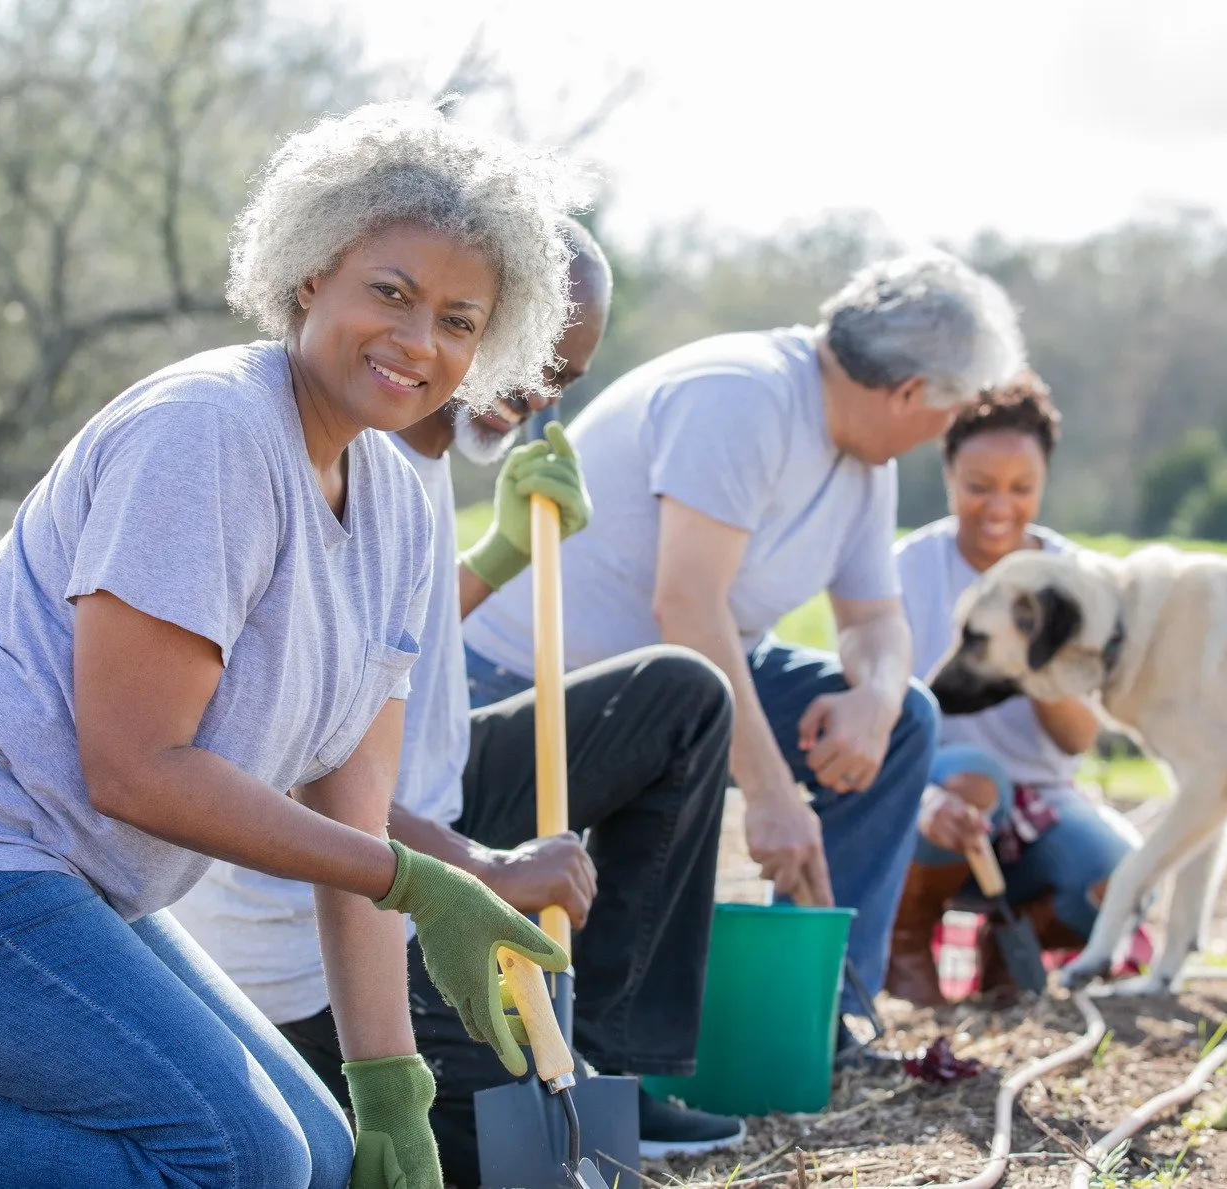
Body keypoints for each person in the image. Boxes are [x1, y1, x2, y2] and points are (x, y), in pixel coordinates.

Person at [0, 100, 581, 1189]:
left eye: (458, 319)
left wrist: (391, 1089)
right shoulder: (206, 431)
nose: (418, 341)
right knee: (233, 1157)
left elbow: (346, 815)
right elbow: (136, 766)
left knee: (308, 1154)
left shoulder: (397, 506)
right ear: (312, 276)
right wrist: (429, 883)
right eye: (389, 293)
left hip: (61, 876)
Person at [173, 220, 744, 1186]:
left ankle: (611, 1053)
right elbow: (301, 762)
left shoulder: (418, 461)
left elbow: (396, 653)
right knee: (545, 1152)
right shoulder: (351, 443)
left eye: (564, 369)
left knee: (678, 696)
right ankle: (543, 1063)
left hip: (426, 787)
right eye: (531, 356)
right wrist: (480, 870)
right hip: (320, 899)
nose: (539, 392)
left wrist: (497, 559)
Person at [461, 251, 1027, 1060]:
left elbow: (876, 619)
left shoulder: (867, 462)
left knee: (907, 723)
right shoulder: (745, 395)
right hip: (533, 682)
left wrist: (875, 696)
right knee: (697, 704)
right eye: (952, 411)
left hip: (687, 679)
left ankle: (819, 1013)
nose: (947, 430)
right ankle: (636, 1043)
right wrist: (769, 793)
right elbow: (686, 606)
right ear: (907, 393)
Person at [884, 373, 1148, 1006]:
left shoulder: (1075, 580)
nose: (999, 506)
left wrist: (1027, 655)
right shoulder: (907, 569)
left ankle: (1007, 945)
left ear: (1045, 481)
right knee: (976, 775)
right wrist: (922, 799)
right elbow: (885, 710)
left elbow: (1081, 733)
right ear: (948, 471)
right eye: (978, 487)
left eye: (1022, 488)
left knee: (1126, 883)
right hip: (934, 796)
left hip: (1042, 797)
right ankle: (908, 938)